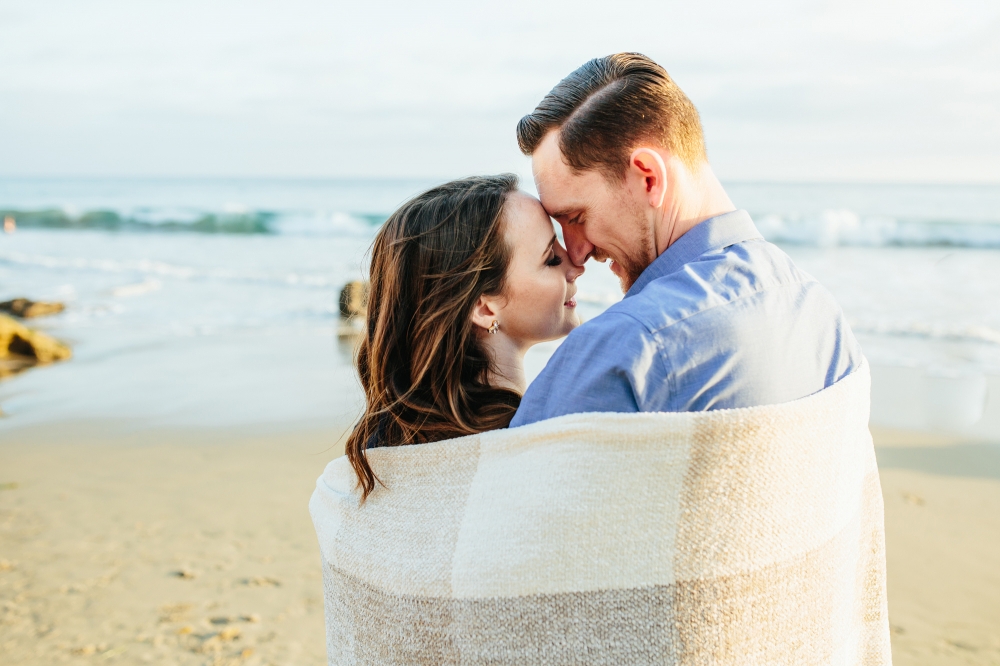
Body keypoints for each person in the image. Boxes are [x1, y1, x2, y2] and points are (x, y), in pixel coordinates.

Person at [510, 53, 863, 427]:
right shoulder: (819, 311)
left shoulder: (624, 347)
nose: (576, 253)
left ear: (648, 177)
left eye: (577, 217)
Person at [345, 174, 583, 499]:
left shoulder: (387, 450)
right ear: (485, 308)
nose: (576, 264)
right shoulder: (527, 443)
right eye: (551, 259)